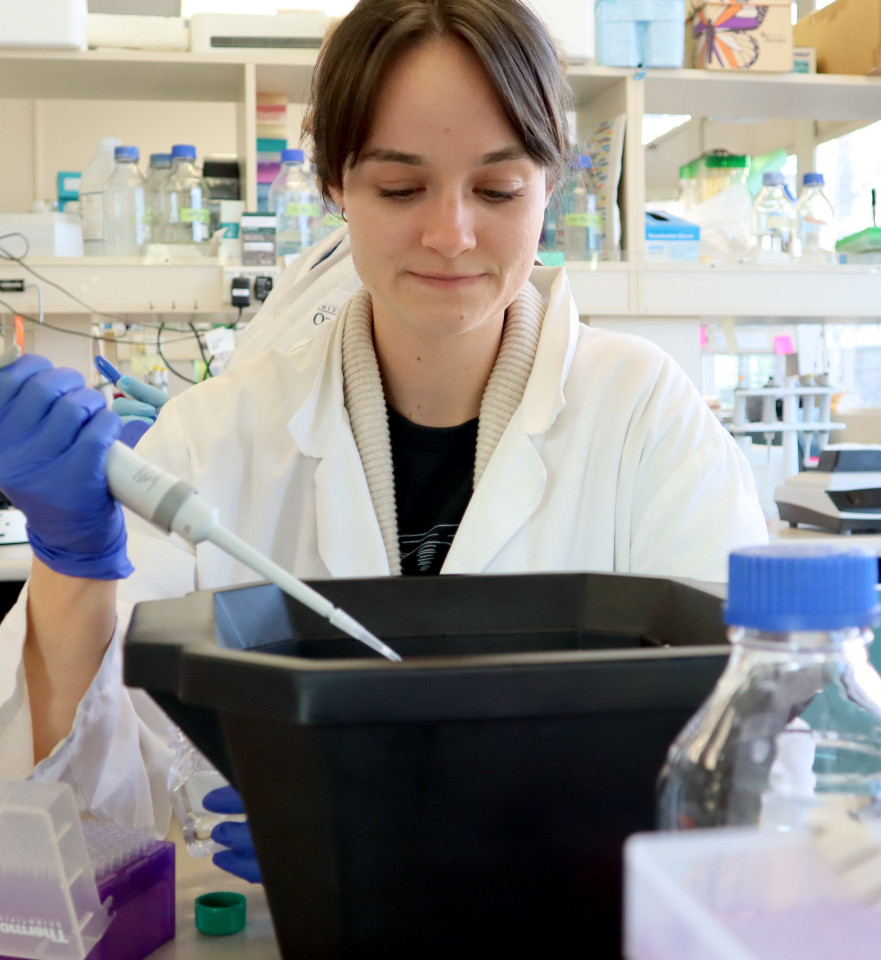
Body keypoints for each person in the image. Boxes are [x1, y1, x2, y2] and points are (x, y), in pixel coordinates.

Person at [0, 0, 767, 858]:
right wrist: (70, 568)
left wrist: (444, 820)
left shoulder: (641, 417)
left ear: (551, 181)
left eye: (497, 188)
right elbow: (77, 826)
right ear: (334, 185)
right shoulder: (217, 436)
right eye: (400, 188)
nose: (451, 234)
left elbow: (749, 765)